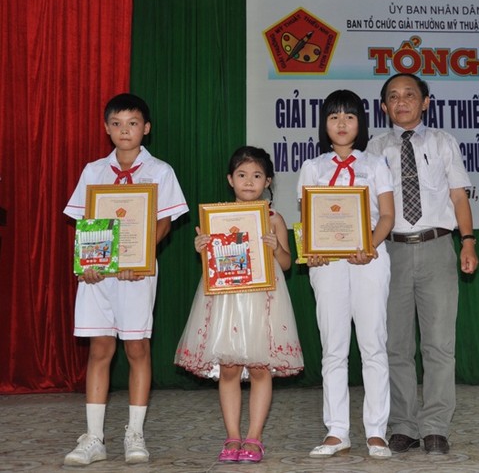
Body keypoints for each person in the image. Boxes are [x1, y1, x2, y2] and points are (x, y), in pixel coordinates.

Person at [63, 93, 189, 465]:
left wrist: (139, 254)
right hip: (97, 276)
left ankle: (134, 434)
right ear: (106, 128)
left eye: (132, 123)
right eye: (116, 124)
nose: (124, 130)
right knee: (100, 349)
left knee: (136, 348)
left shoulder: (160, 171)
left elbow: (164, 222)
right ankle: (94, 438)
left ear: (146, 128)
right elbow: (82, 223)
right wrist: (85, 261)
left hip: (137, 274)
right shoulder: (93, 171)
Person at [367, 73, 479, 455]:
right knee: (395, 346)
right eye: (393, 97)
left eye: (409, 95)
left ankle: (435, 427)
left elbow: (459, 198)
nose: (402, 102)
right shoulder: (373, 149)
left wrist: (468, 241)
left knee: (438, 345)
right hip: (390, 251)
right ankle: (403, 425)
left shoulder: (444, 142)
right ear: (383, 107)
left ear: (425, 102)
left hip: (437, 246)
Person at [174, 146, 303, 463]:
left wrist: (275, 248)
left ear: (268, 181)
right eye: (242, 175)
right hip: (226, 301)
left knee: (261, 368)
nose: (249, 181)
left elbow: (287, 264)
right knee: (229, 368)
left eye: (257, 175)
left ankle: (254, 438)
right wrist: (202, 247)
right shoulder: (217, 218)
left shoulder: (274, 218)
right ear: (230, 179)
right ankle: (232, 436)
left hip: (265, 300)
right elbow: (213, 264)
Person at [297, 90, 395, 459]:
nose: (341, 123)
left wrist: (369, 244)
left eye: (349, 116)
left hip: (370, 259)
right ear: (324, 124)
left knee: (373, 344)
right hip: (328, 265)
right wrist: (311, 252)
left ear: (361, 123)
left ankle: (376, 432)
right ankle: (337, 431)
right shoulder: (312, 167)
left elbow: (387, 215)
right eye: (334, 116)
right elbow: (306, 220)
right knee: (333, 348)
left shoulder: (376, 163)